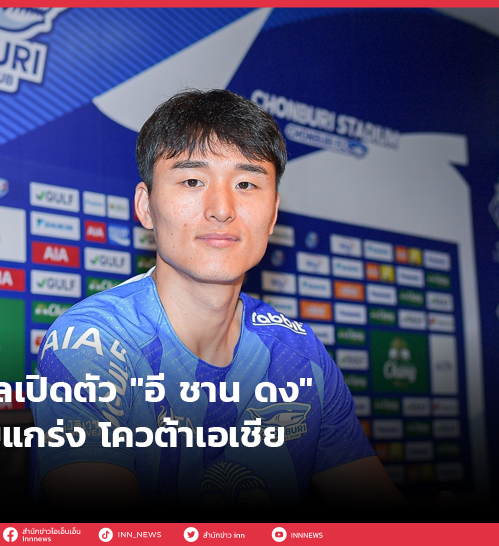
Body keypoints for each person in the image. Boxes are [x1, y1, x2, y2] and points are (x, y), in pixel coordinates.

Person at [31, 89, 404, 512]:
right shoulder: (93, 341)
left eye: (246, 184)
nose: (222, 209)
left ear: (273, 213)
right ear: (145, 207)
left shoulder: (301, 355)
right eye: (192, 181)